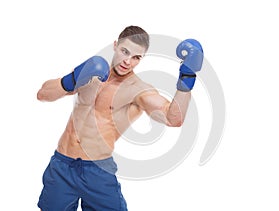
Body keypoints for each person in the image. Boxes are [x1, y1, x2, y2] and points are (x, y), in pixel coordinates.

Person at [36, 25, 203, 211]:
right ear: (115, 45)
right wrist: (73, 77)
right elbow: (43, 94)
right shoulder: (91, 74)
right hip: (62, 165)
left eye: (136, 57)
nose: (128, 61)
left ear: (141, 59)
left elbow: (174, 119)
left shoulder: (138, 90)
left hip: (98, 170)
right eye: (125, 52)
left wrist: (187, 78)